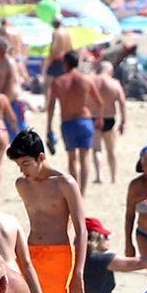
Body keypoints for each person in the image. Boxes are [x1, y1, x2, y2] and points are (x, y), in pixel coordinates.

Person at [7, 131, 86, 293]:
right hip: (31, 254)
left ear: (41, 157)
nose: (23, 170)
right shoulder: (22, 185)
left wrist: (78, 272)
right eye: (19, 165)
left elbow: (81, 230)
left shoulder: (65, 183)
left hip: (59, 256)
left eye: (26, 163)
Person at [45, 51, 104, 194]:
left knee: (72, 159)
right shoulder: (86, 80)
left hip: (68, 123)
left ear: (65, 64)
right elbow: (99, 102)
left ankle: (75, 191)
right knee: (85, 158)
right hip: (85, 121)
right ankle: (82, 192)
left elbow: (51, 106)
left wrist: (49, 127)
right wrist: (100, 118)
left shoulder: (58, 82)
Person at [76, 216, 147, 293]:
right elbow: (135, 264)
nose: (108, 239)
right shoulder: (98, 259)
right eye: (105, 237)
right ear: (97, 238)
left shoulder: (85, 258)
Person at [93, 61, 127, 185]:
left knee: (97, 149)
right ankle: (114, 177)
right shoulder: (114, 84)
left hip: (94, 117)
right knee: (111, 150)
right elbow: (122, 103)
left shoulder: (91, 81)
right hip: (109, 118)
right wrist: (123, 121)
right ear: (110, 71)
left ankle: (99, 176)